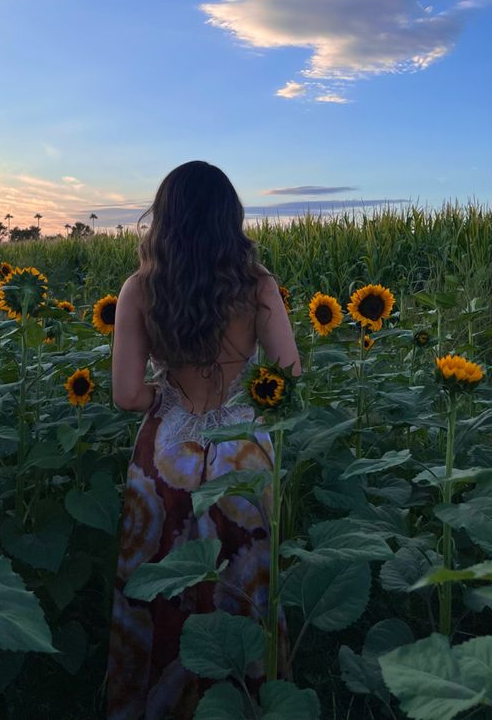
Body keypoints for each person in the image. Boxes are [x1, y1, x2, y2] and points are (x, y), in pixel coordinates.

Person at [106, 160, 302, 719]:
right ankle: (250, 699)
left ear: (162, 220)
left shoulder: (139, 289)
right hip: (243, 446)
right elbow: (288, 372)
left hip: (166, 450)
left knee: (164, 580)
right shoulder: (256, 286)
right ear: (229, 219)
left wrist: (166, 397)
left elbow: (125, 394)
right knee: (247, 579)